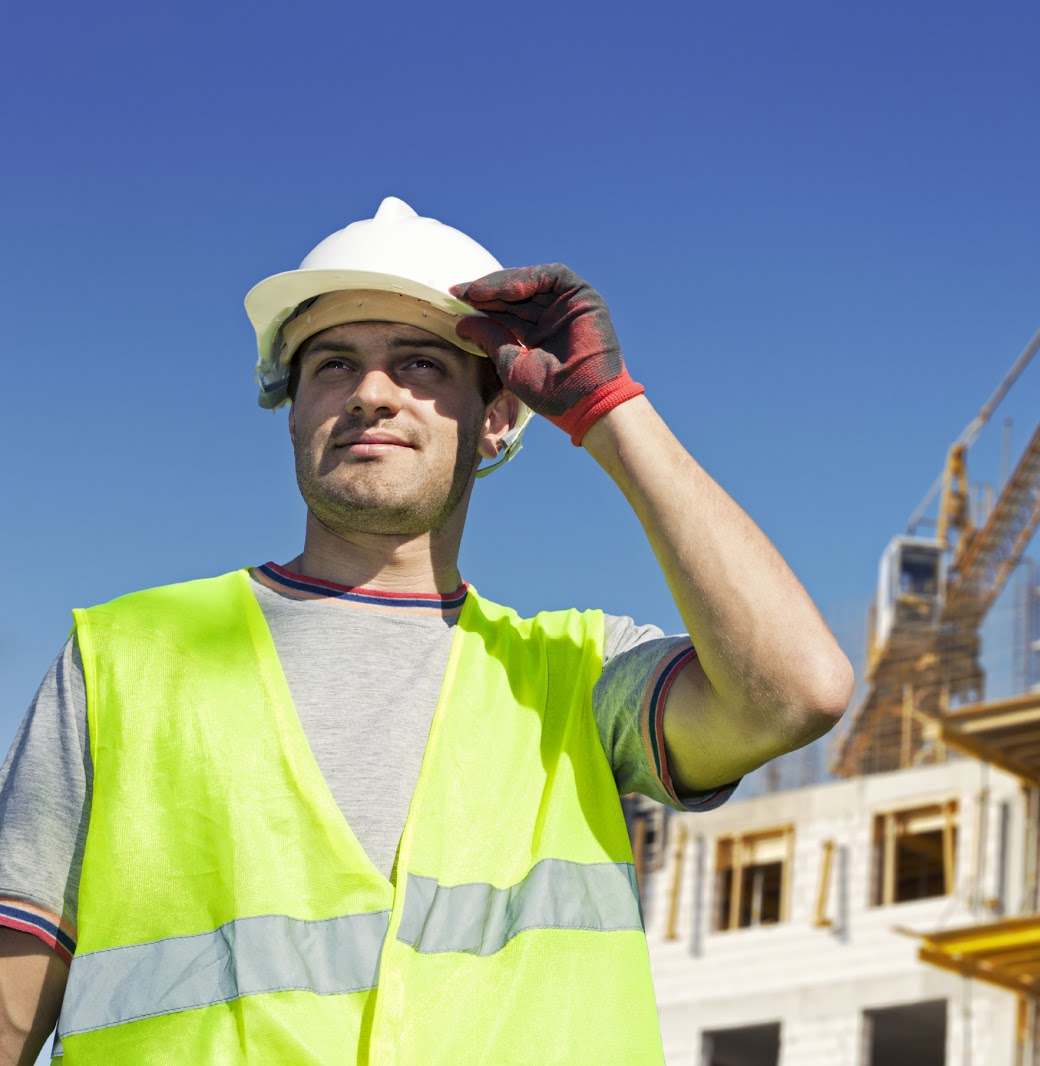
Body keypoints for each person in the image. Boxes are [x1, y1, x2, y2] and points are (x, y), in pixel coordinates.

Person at [0, 198, 854, 1063]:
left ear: (494, 420)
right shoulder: (127, 657)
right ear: (291, 409)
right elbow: (9, 1003)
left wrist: (608, 407)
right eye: (333, 365)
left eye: (420, 365)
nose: (372, 393)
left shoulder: (575, 676)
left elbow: (797, 693)